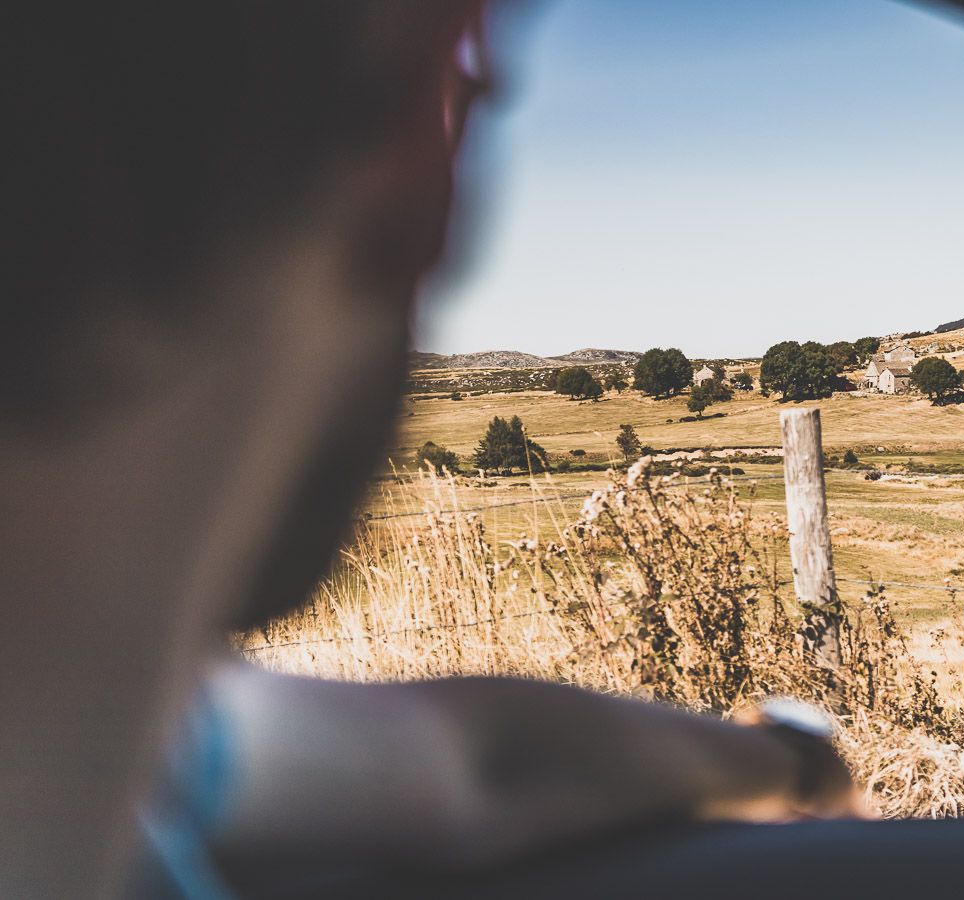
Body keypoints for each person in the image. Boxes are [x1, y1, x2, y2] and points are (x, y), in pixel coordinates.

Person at [1, 5, 859, 897]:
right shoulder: (139, 740)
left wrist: (788, 758)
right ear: (422, 167)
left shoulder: (131, 729)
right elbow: (478, 766)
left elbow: (481, 762)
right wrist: (802, 768)